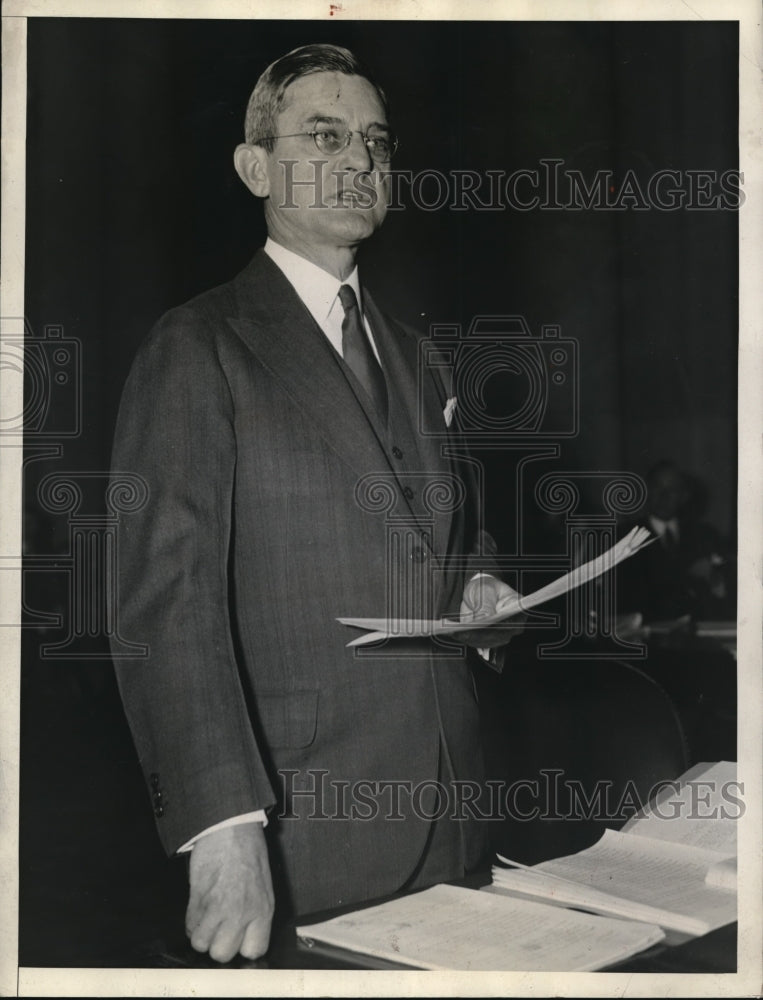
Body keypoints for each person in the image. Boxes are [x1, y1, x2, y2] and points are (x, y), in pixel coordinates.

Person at [110, 43, 522, 965]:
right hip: (301, 825)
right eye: (323, 137)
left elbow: (445, 542)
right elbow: (164, 606)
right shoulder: (199, 344)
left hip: (454, 807)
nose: (359, 163)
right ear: (256, 166)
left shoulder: (417, 354)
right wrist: (222, 827)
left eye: (376, 143)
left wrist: (482, 587)